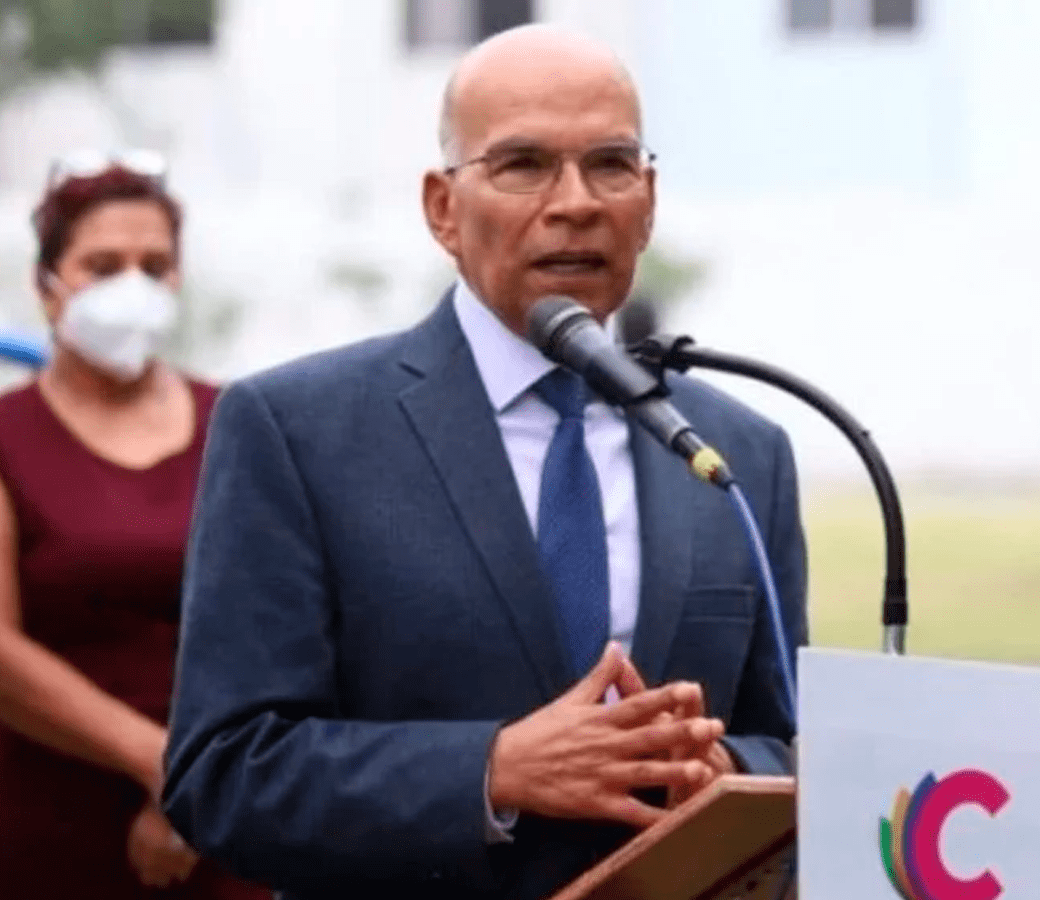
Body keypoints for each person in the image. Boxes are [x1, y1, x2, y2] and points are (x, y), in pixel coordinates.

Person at [162, 25, 807, 900]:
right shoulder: (295, 431)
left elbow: (791, 742)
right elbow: (225, 773)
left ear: (648, 201)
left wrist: (719, 769)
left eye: (611, 165)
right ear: (442, 208)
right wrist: (491, 770)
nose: (575, 202)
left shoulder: (737, 454)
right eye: (524, 165)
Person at [0, 154, 269, 898]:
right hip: (51, 821)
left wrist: (197, 784)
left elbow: (285, 623)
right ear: (47, 286)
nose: (133, 287)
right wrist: (164, 766)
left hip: (229, 811)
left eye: (154, 266)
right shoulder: (8, 436)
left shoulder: (242, 421)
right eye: (103, 266)